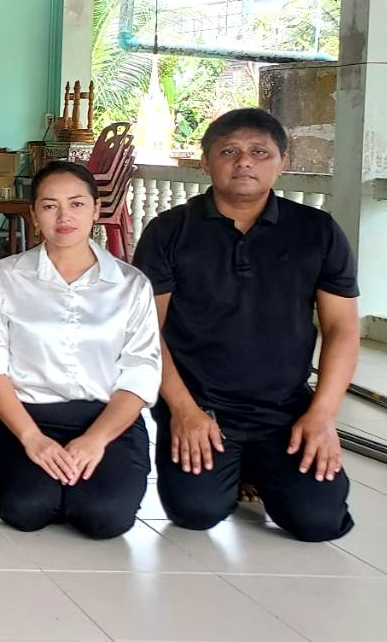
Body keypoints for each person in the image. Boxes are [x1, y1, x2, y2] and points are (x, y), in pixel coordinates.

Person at [134, 108, 358, 542]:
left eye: (259, 152)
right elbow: (146, 330)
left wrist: (323, 414)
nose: (244, 163)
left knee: (319, 521)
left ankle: (258, 467)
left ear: (282, 161)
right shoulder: (170, 231)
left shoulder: (317, 231)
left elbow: (342, 329)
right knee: (196, 511)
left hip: (285, 410)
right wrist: (183, 411)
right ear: (206, 162)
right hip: (202, 407)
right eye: (229, 151)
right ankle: (233, 469)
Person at [0, 161, 162, 539]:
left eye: (76, 204)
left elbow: (142, 371)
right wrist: (31, 438)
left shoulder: (130, 284)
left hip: (105, 419)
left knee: (105, 518)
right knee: (26, 510)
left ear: (96, 209)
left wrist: (96, 440)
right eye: (49, 205)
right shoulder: (4, 276)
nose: (64, 217)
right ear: (33, 213)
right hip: (24, 416)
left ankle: (87, 478)